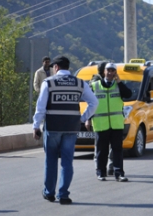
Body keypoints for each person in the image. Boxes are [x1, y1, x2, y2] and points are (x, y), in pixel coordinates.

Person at [33, 55, 98, 205]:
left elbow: (41, 106)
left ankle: (49, 192)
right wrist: (82, 118)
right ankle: (64, 195)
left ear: (56, 67)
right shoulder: (79, 83)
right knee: (67, 162)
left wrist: (36, 126)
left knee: (51, 160)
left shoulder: (49, 82)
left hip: (53, 127)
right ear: (68, 67)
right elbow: (94, 102)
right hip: (71, 127)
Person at [88, 63, 132, 182]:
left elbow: (128, 94)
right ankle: (101, 172)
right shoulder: (95, 85)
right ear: (104, 72)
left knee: (117, 150)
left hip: (116, 124)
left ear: (115, 73)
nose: (110, 73)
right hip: (101, 123)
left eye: (113, 71)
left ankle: (119, 173)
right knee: (102, 150)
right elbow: (90, 104)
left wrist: (120, 82)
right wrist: (88, 119)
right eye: (108, 70)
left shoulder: (118, 86)